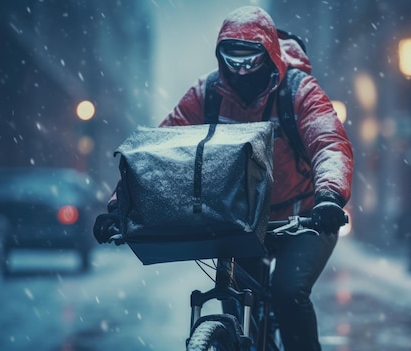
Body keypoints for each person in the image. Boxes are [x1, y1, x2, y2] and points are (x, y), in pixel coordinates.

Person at [94, 5, 353, 350]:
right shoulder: (208, 94)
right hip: (242, 221)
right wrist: (119, 207)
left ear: (271, 55)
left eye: (251, 60)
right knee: (235, 298)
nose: (242, 70)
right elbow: (160, 154)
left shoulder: (299, 90)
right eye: (233, 60)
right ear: (220, 56)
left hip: (304, 217)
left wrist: (330, 196)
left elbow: (328, 142)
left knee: (288, 294)